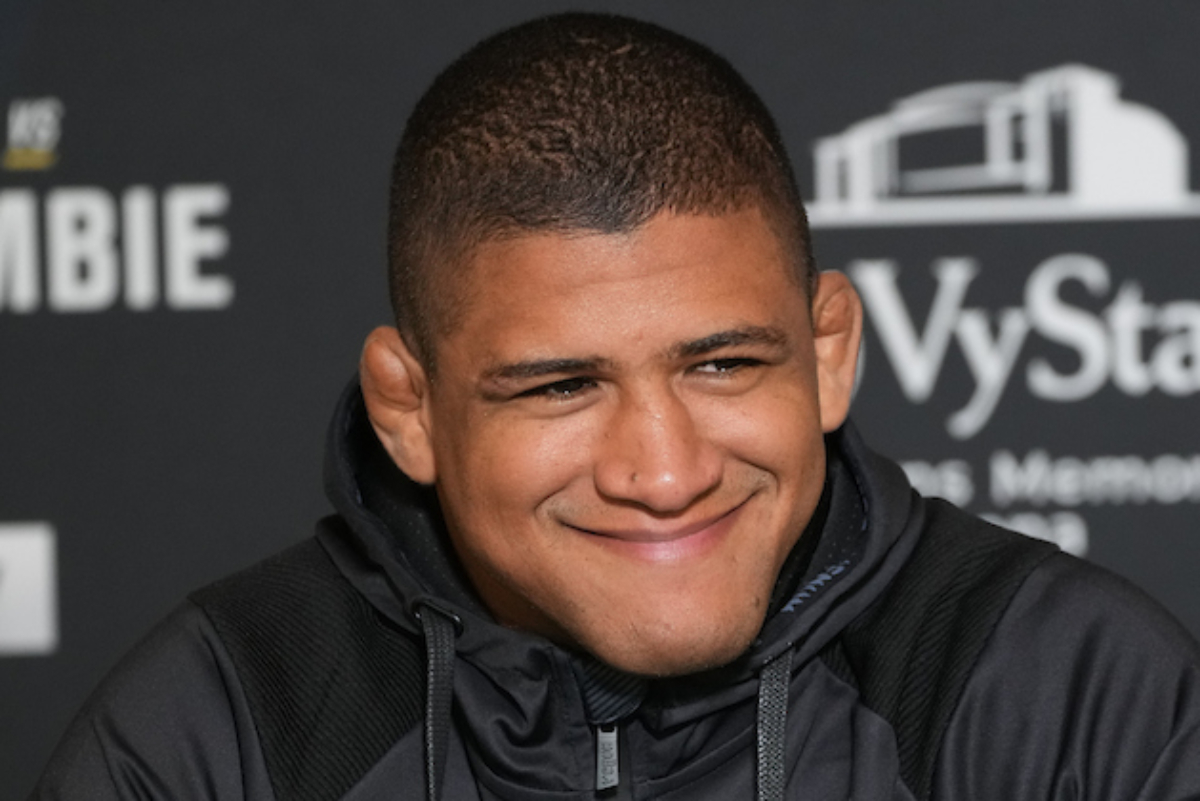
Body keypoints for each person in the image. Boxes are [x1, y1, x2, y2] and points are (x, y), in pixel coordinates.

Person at [32, 12, 1200, 801]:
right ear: (410, 410)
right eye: (562, 387)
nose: (664, 471)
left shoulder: (1071, 691)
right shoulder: (228, 726)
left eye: (722, 365)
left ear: (829, 353)